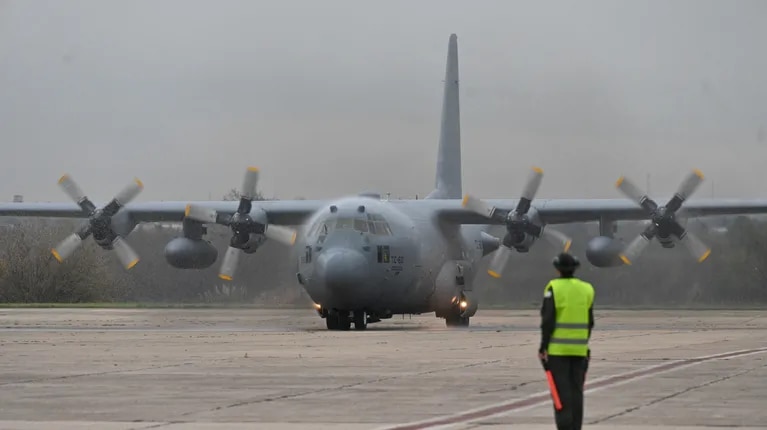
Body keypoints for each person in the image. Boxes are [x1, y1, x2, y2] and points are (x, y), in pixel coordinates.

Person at [538, 252, 595, 430]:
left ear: (558, 269)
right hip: (579, 351)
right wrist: (583, 343)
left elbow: (548, 320)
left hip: (557, 352)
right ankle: (576, 427)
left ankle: (564, 427)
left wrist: (543, 346)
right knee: (577, 392)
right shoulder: (587, 289)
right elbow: (590, 321)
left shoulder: (553, 288)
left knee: (561, 395)